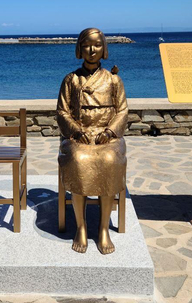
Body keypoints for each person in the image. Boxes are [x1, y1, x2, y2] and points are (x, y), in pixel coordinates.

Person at [57, 27, 128, 254]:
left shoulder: (113, 80)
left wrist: (109, 132)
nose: (92, 50)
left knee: (108, 159)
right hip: (79, 135)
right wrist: (77, 131)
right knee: (78, 159)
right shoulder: (71, 80)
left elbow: (123, 111)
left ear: (104, 48)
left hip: (107, 136)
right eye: (87, 44)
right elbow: (62, 112)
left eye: (97, 44)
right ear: (80, 48)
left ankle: (104, 228)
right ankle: (81, 226)